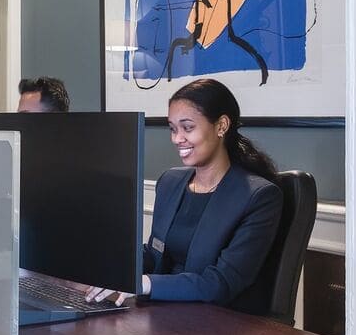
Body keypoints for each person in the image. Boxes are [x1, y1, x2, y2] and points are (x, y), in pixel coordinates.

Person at [86, 78, 283, 308]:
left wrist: (144, 284)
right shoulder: (170, 182)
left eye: (187, 128)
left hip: (220, 325)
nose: (177, 139)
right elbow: (155, 254)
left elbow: (220, 283)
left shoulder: (259, 197)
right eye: (172, 129)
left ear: (221, 126)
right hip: (162, 313)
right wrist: (108, 267)